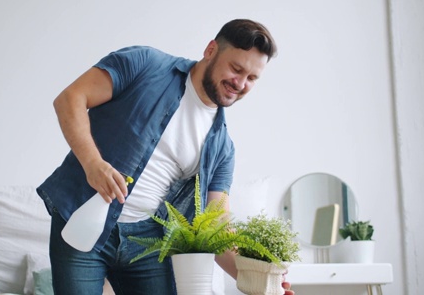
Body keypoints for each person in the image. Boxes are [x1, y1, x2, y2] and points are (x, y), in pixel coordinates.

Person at [37, 19, 294, 295]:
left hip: (147, 242)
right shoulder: (145, 65)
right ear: (210, 50)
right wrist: (93, 164)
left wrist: (260, 281)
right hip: (83, 217)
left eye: (252, 78)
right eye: (236, 68)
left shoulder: (223, 148)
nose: (240, 83)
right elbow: (70, 99)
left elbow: (217, 227)